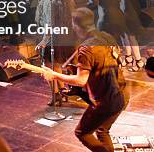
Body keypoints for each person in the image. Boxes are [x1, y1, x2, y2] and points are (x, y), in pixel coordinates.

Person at [41, 8, 128, 152]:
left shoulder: (86, 48)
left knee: (82, 132)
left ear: (75, 25)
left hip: (105, 101)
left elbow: (81, 80)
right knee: (102, 130)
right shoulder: (106, 37)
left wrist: (55, 75)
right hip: (121, 93)